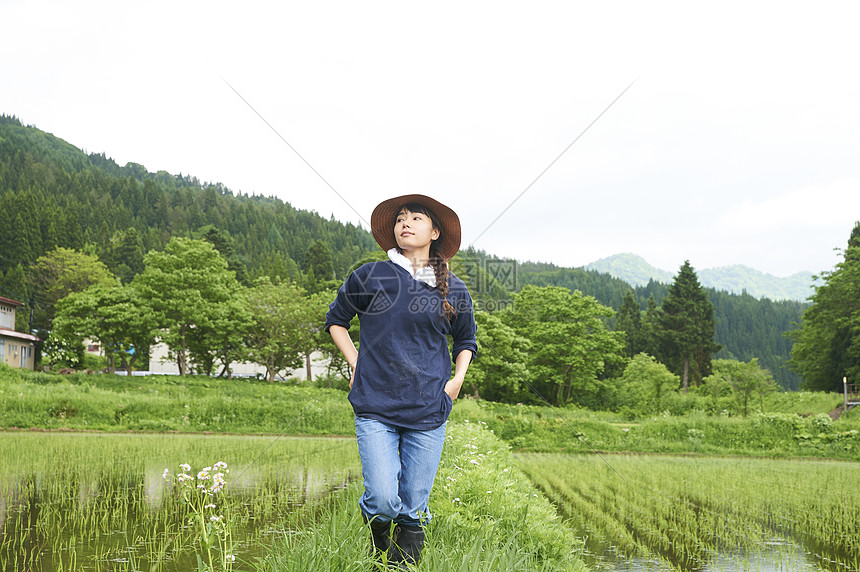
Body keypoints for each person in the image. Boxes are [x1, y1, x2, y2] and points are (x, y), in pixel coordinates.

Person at [325, 194, 477, 567]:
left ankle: (398, 563)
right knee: (380, 497)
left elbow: (466, 340)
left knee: (413, 505)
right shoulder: (370, 275)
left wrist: (457, 379)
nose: (404, 223)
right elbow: (337, 320)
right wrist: (356, 361)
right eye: (400, 219)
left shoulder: (453, 287)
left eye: (415, 218)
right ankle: (378, 543)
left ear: (435, 232)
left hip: (429, 406)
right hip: (375, 403)